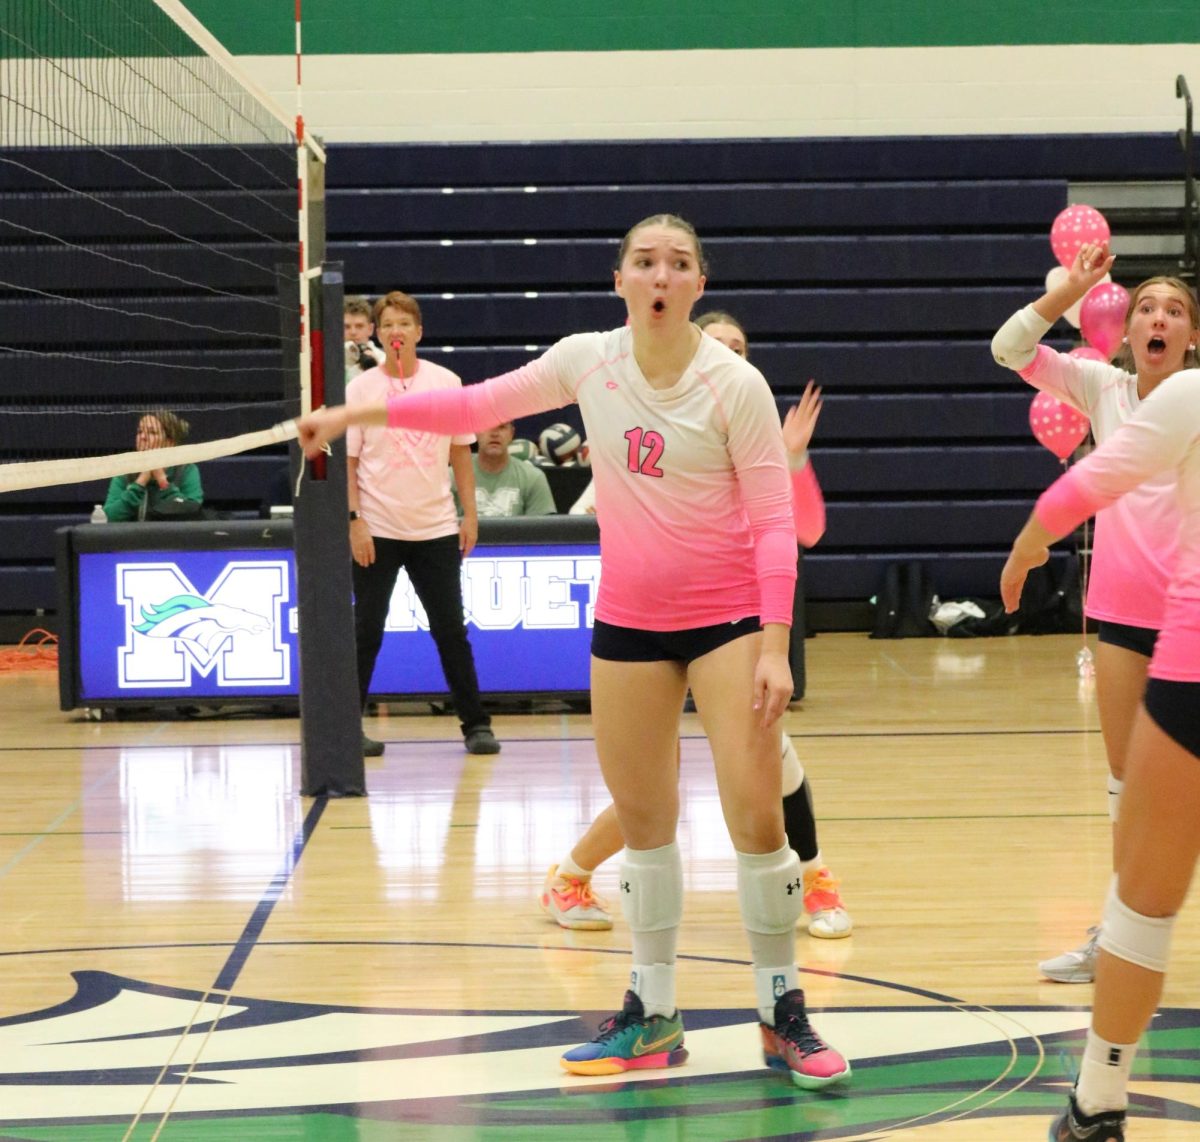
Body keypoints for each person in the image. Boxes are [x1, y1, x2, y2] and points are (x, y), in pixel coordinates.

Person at [297, 215, 850, 1089]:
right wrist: (352, 408)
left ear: (698, 284)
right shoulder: (586, 357)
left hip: (730, 619)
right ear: (620, 279)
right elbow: (473, 406)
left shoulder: (733, 384)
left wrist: (776, 645)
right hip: (629, 622)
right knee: (645, 827)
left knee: (759, 822)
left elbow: (777, 521)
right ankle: (652, 1013)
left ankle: (784, 1011)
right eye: (644, 261)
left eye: (678, 263)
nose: (660, 274)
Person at [543, 314, 851, 942]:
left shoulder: (751, 421)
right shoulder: (660, 419)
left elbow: (807, 532)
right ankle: (572, 875)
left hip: (738, 622)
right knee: (655, 789)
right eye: (723, 345)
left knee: (775, 763)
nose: (733, 356)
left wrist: (793, 460)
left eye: (744, 347)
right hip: (657, 619)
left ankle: (814, 881)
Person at [999, 365, 1200, 1142]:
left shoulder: (1186, 397)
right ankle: (1096, 1098)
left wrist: (1024, 551)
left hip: (1189, 674)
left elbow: (1077, 492)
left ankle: (1099, 1099)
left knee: (1141, 908)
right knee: (1140, 906)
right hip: (1183, 669)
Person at [991, 248, 1200, 983]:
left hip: (1193, 623)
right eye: (1147, 307)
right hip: (1121, 616)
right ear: (1128, 328)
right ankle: (1115, 934)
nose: (1159, 318)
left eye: (1175, 311)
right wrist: (1071, 291)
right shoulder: (1103, 388)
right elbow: (1009, 348)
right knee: (1124, 786)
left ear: (1192, 336)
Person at [346, 290, 500, 758]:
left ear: (418, 332)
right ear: (378, 332)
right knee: (367, 629)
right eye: (387, 324)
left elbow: (460, 451)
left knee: (450, 630)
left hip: (434, 528)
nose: (396, 331)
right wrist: (355, 521)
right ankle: (346, 727)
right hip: (377, 527)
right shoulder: (361, 389)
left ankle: (475, 725)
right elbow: (349, 464)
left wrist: (469, 514)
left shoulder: (446, 381)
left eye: (404, 324)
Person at [103, 409, 203, 521]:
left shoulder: (186, 470)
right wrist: (139, 484)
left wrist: (162, 482)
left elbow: (192, 513)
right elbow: (109, 517)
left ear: (170, 442)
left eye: (152, 433)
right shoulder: (125, 471)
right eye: (140, 432)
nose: (143, 437)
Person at [452, 420, 556, 518]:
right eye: (488, 426)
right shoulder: (452, 476)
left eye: (502, 427)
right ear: (476, 432)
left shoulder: (533, 478)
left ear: (511, 433)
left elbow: (540, 532)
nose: (494, 434)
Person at [344, 295, 385, 381]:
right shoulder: (328, 362)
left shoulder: (383, 360)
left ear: (370, 329)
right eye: (347, 327)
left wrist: (378, 370)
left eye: (359, 326)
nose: (353, 332)